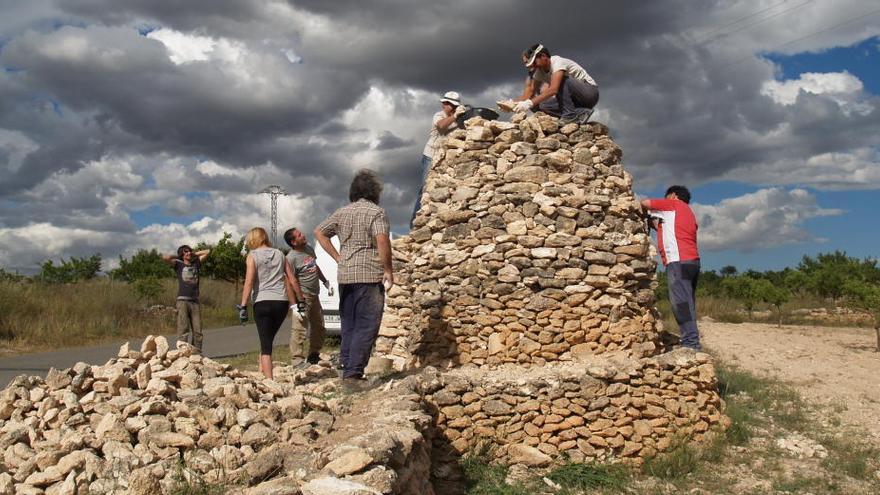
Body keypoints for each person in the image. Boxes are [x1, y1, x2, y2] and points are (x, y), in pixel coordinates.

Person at [314, 169, 393, 384]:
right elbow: (382, 241)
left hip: (345, 274)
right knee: (366, 324)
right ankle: (354, 373)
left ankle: (346, 365)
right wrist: (388, 269)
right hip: (368, 274)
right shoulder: (377, 212)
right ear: (375, 191)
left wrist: (337, 257)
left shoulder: (342, 212)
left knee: (348, 322)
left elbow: (319, 232)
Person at [641, 186, 702, 350]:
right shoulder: (688, 212)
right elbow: (669, 229)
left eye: (666, 196)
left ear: (674, 195)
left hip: (678, 261)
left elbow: (645, 203)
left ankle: (691, 344)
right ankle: (691, 340)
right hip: (692, 262)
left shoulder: (673, 205)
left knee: (680, 303)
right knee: (688, 303)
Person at [238, 227, 302, 379]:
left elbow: (249, 281)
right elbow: (292, 279)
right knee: (268, 337)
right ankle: (262, 368)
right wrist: (300, 301)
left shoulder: (252, 255)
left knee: (266, 346)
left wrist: (243, 305)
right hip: (281, 302)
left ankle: (269, 381)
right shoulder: (280, 254)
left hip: (262, 302)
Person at [411, 91, 464, 228]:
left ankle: (431, 220)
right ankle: (415, 222)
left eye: (448, 104)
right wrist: (455, 116)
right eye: (445, 103)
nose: (444, 105)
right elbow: (441, 125)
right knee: (425, 189)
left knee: (441, 189)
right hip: (431, 156)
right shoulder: (439, 115)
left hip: (445, 158)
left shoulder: (459, 119)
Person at [283, 227, 334, 368]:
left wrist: (325, 282)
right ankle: (297, 360)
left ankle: (314, 355)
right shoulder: (291, 258)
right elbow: (289, 282)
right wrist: (295, 304)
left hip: (314, 295)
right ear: (293, 242)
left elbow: (314, 267)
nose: (303, 235)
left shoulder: (309, 249)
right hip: (303, 296)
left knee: (319, 326)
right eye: (299, 235)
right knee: (299, 328)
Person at [513, 43, 599, 123]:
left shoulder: (557, 62)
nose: (534, 66)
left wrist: (529, 103)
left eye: (534, 62)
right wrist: (512, 104)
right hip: (574, 101)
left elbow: (553, 90)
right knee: (542, 106)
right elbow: (530, 94)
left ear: (543, 56)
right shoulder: (539, 73)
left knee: (561, 81)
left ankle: (569, 116)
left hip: (589, 94)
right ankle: (580, 113)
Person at [162, 245, 210, 353]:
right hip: (182, 300)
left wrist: (193, 254)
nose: (188, 253)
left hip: (195, 301)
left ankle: (196, 353)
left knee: (198, 331)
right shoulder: (178, 264)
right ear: (182, 254)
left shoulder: (196, 263)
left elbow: (207, 252)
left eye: (189, 251)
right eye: (186, 252)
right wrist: (179, 256)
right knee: (183, 329)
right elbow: (165, 257)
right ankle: (183, 354)